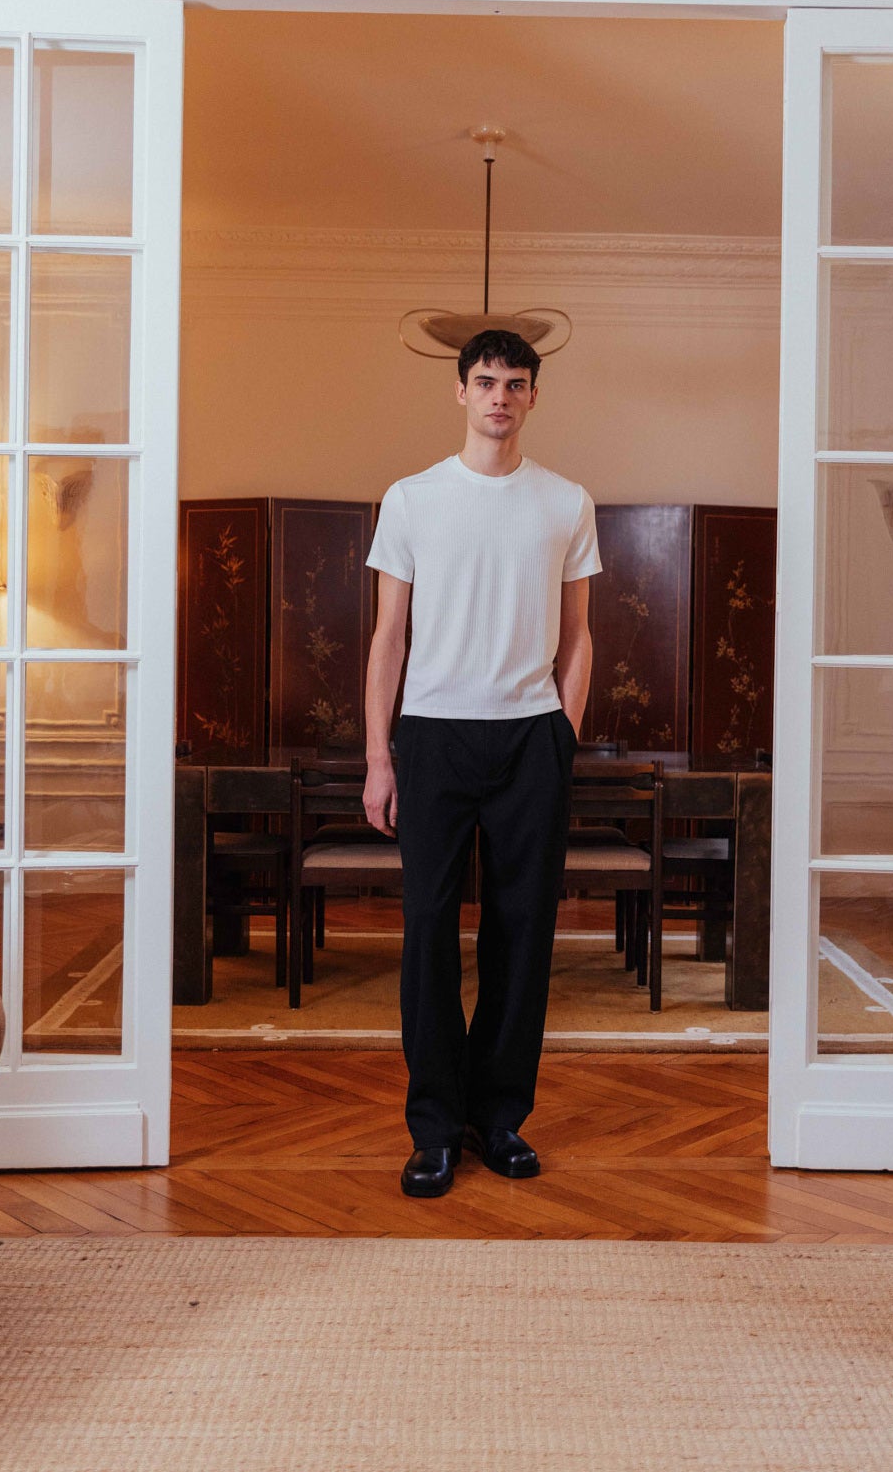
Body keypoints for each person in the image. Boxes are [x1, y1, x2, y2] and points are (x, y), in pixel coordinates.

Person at [363, 329, 601, 1198]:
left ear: (533, 395)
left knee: (521, 931)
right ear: (460, 391)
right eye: (486, 380)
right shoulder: (411, 498)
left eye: (516, 382)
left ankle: (497, 1118)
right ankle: (433, 1128)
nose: (500, 395)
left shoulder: (566, 502)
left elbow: (578, 635)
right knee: (428, 931)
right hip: (432, 735)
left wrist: (563, 734)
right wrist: (378, 756)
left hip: (530, 738)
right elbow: (388, 638)